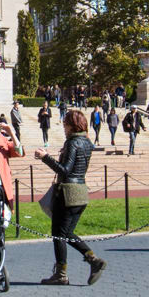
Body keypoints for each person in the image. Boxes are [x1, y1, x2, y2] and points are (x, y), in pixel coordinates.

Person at [32, 109, 106, 286]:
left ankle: (61, 274)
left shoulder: (72, 142)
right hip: (81, 191)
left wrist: (45, 157)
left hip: (67, 192)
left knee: (58, 235)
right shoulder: (87, 142)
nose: (63, 128)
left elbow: (64, 170)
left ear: (71, 125)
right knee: (67, 232)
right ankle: (92, 260)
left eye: (65, 124)